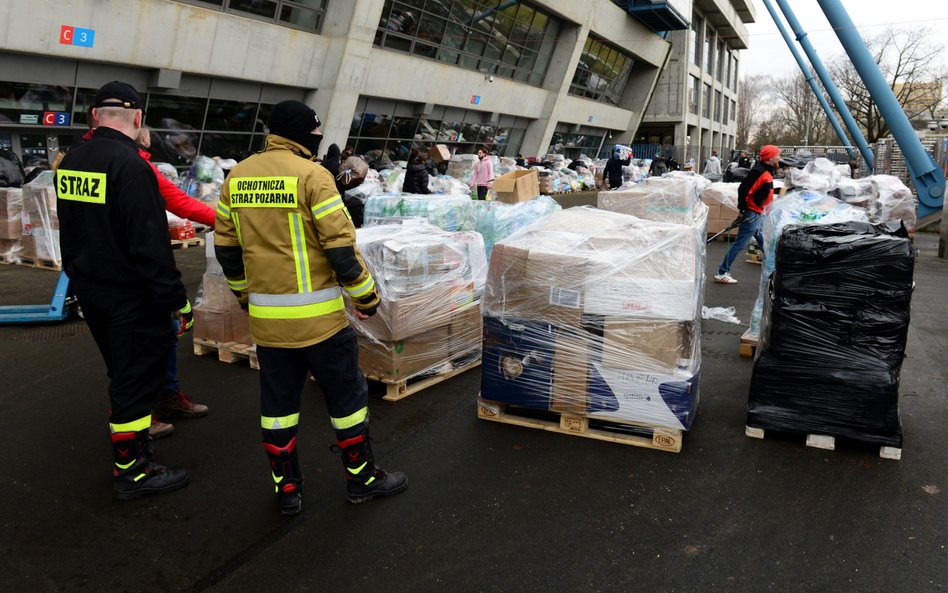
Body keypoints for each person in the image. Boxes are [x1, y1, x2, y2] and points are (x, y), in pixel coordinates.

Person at [214, 100, 407, 515]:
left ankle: (287, 490)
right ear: (305, 135)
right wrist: (367, 298)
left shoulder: (238, 177)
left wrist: (245, 296)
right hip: (321, 324)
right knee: (347, 400)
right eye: (316, 135)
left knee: (278, 408)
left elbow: (227, 249)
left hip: (268, 324)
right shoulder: (313, 176)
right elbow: (340, 249)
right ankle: (362, 480)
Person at [56, 81, 191, 500]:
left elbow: (74, 229)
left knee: (122, 371)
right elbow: (149, 243)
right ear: (137, 119)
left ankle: (132, 455)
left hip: (92, 289)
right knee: (134, 380)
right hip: (132, 296)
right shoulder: (131, 165)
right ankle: (134, 470)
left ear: (95, 116)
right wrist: (177, 300)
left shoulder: (73, 160)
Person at [135, 125, 212, 437]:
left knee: (165, 334)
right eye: (145, 130)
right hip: (131, 271)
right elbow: (178, 203)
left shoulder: (138, 164)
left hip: (135, 268)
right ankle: (138, 416)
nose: (149, 136)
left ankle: (166, 396)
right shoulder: (130, 166)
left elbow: (179, 201)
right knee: (137, 347)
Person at [714, 144, 781, 285]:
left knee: (763, 239)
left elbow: (764, 191)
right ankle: (721, 272)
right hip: (752, 214)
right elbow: (743, 189)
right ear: (770, 158)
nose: (779, 158)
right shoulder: (759, 171)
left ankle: (772, 268)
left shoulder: (767, 171)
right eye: (778, 155)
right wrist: (744, 210)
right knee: (740, 244)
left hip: (758, 213)